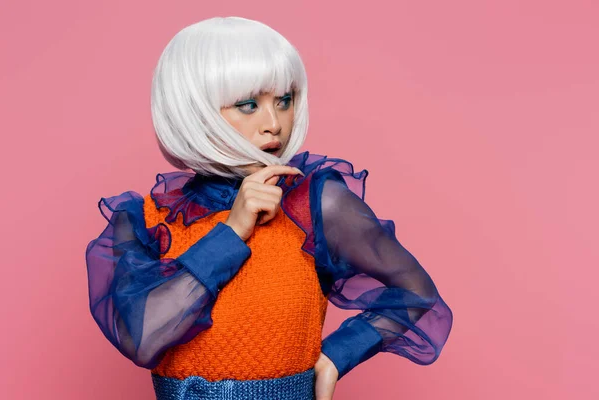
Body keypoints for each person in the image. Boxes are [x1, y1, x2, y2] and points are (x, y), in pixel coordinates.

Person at [85, 16, 453, 400]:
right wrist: (231, 233)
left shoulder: (313, 204)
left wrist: (336, 356)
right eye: (248, 105)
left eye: (284, 101)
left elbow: (416, 291)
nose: (274, 124)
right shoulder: (143, 220)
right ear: (193, 110)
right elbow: (141, 340)